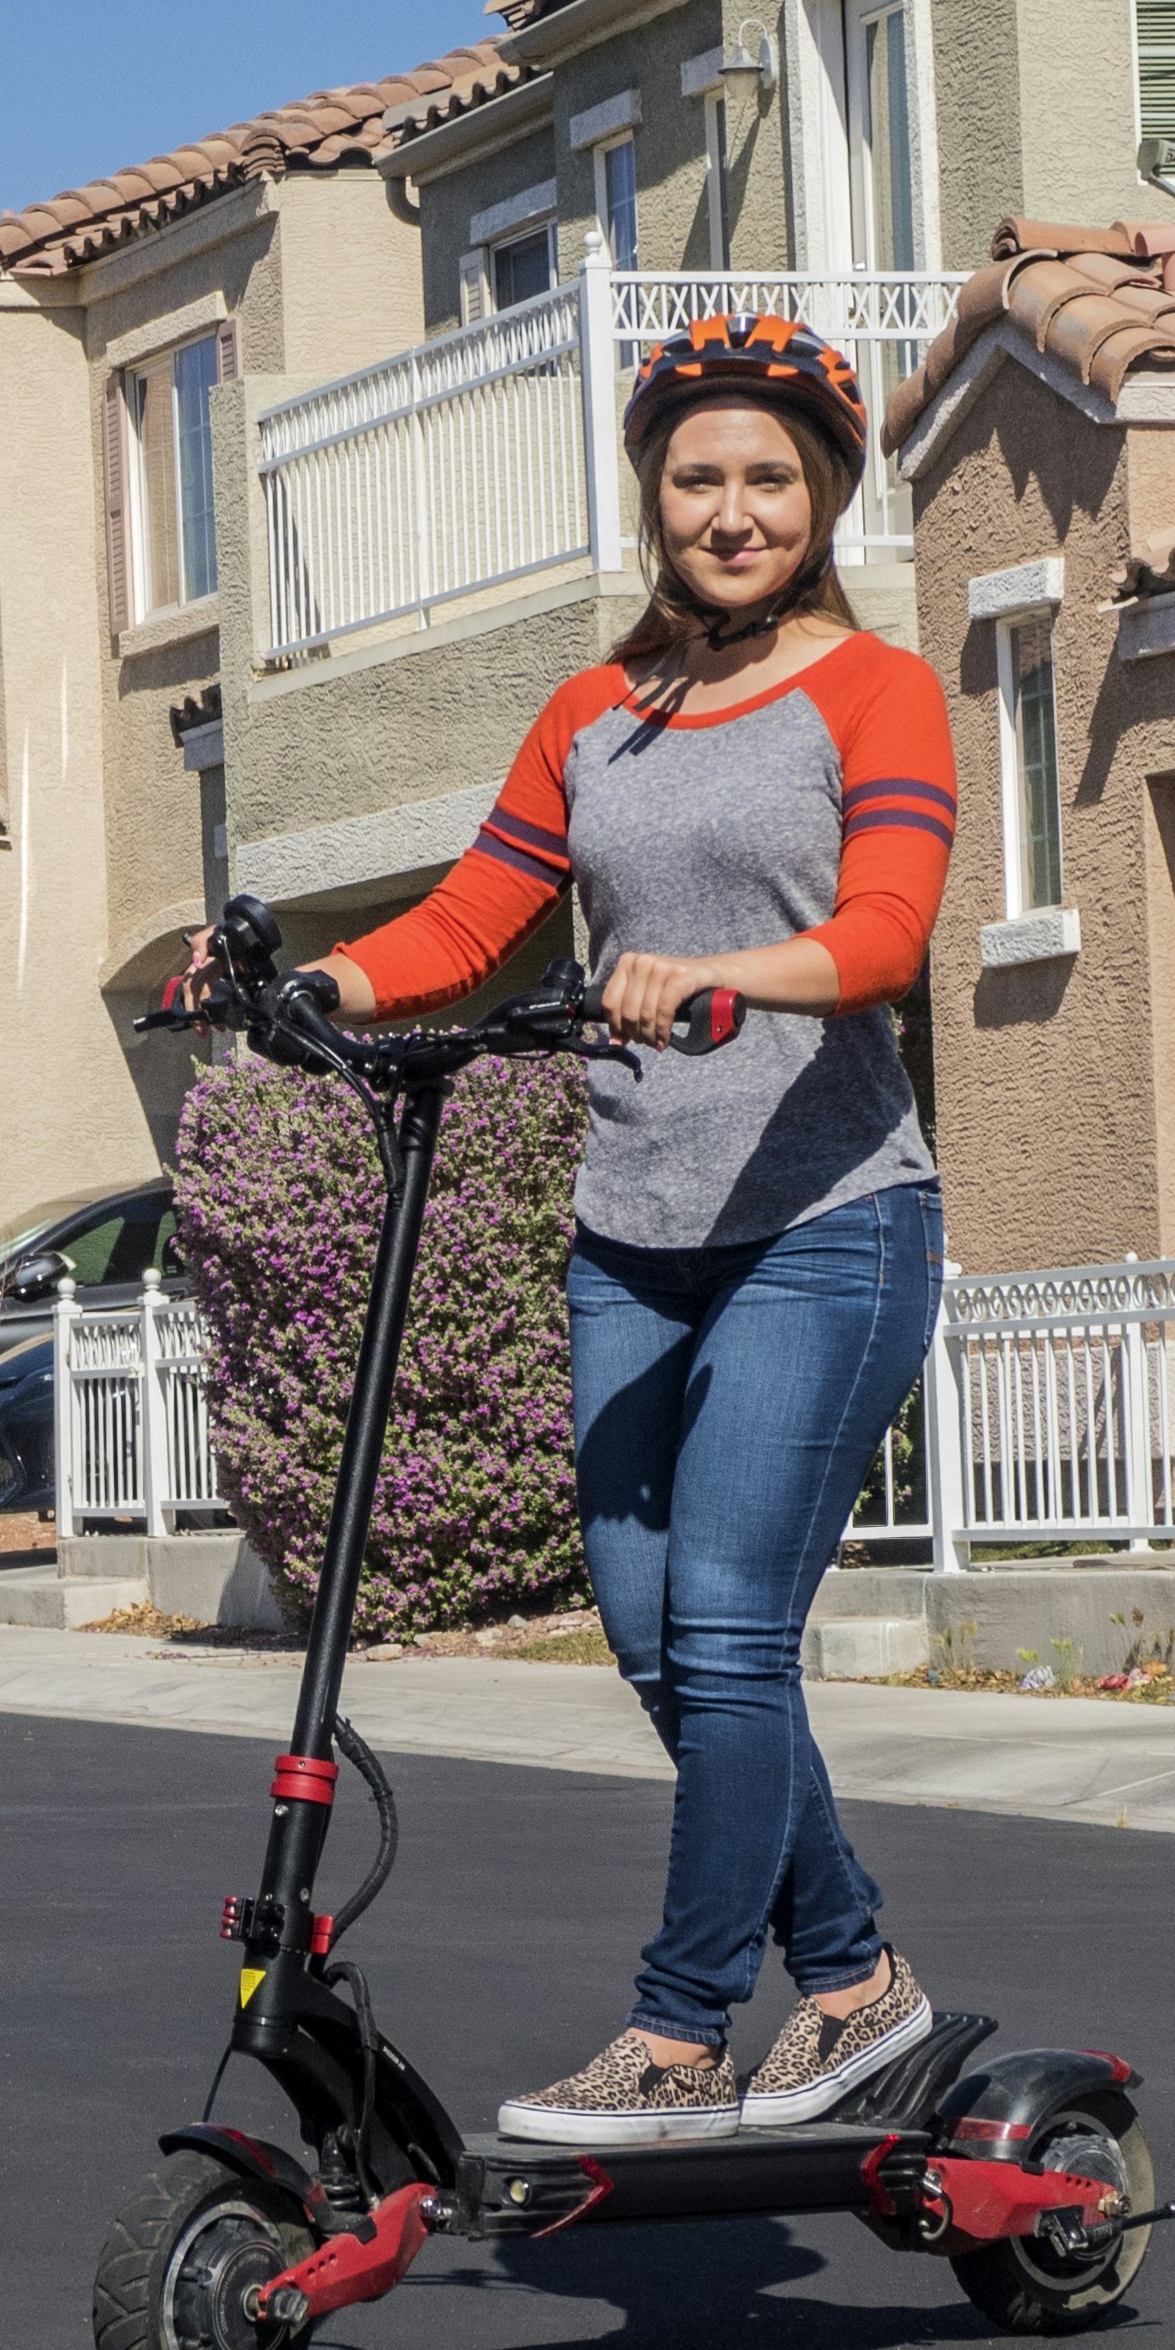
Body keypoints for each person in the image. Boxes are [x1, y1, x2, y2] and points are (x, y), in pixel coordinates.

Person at [208, 316, 954, 2147]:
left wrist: (718, 974)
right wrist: (322, 985)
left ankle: (684, 2029)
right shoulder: (592, 716)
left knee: (725, 1628)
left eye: (769, 476)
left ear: (826, 495)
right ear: (652, 501)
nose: (732, 508)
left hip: (828, 1223)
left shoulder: (879, 691)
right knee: (652, 1630)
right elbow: (474, 919)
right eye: (698, 476)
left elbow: (888, 934)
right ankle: (854, 1980)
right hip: (631, 1229)